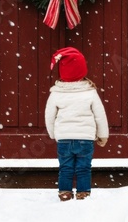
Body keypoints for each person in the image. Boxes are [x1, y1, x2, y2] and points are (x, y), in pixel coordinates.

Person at [45, 46, 109, 201]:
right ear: (82, 71)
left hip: (64, 139)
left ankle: (65, 192)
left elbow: (49, 115)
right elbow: (100, 116)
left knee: (65, 168)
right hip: (85, 139)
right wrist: (102, 135)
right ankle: (83, 193)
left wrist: (53, 134)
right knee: (84, 168)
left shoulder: (56, 93)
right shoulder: (90, 92)